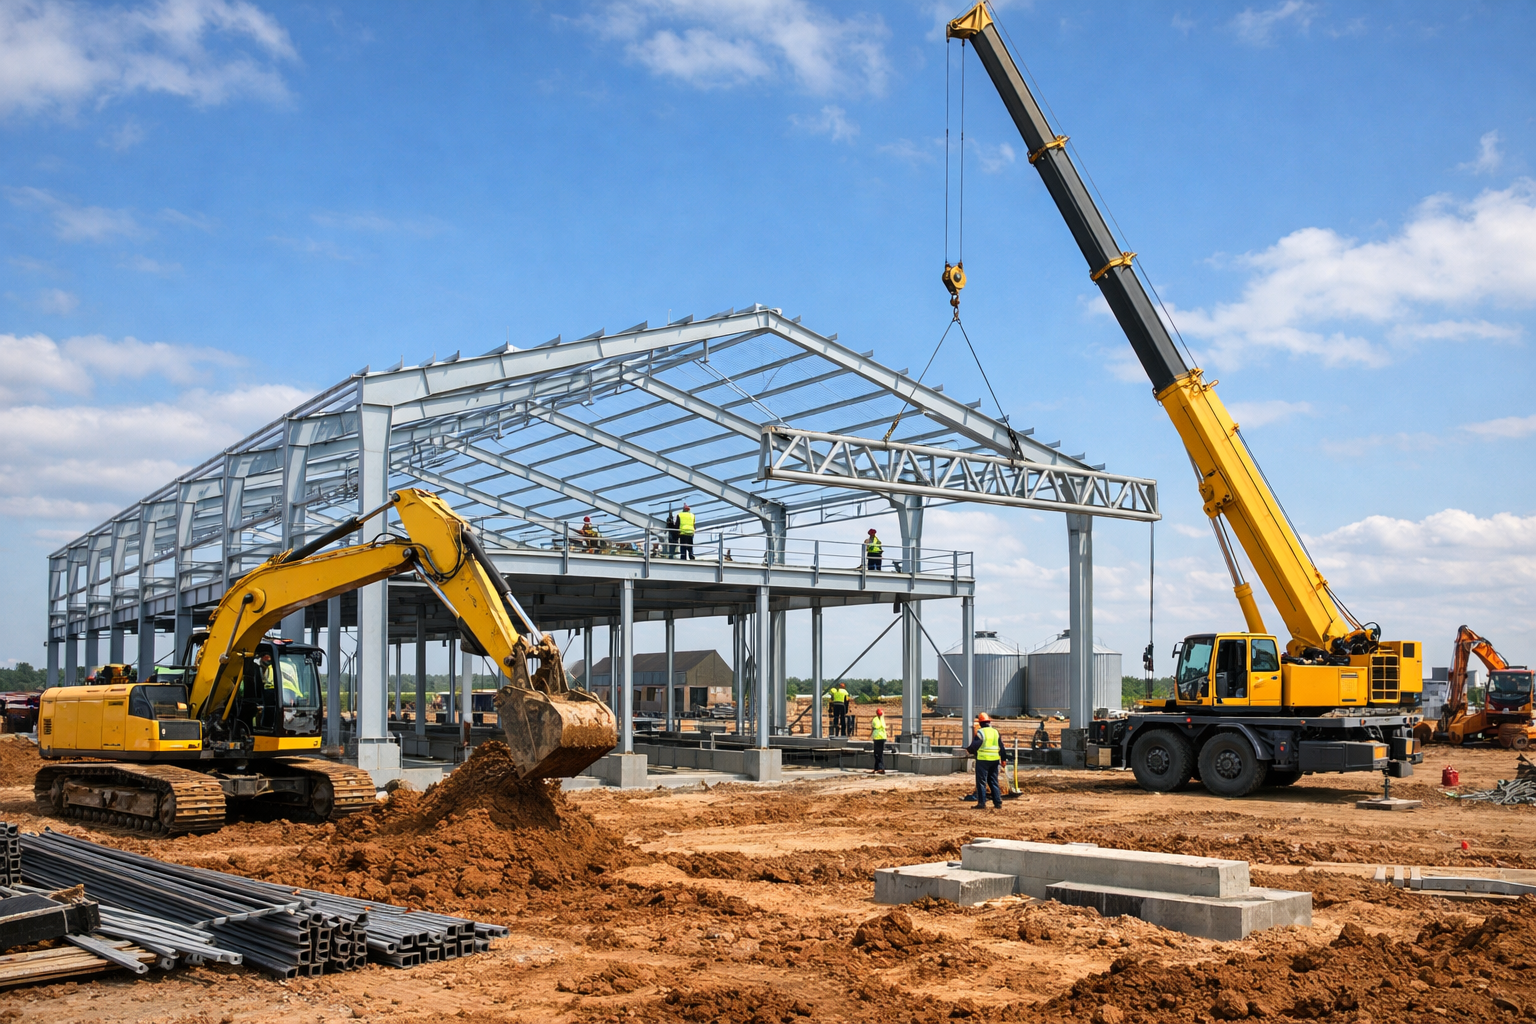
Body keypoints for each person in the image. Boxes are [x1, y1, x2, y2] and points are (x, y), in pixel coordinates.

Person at [967, 712, 1003, 810]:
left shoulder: (981, 732)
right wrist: (1003, 759)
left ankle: (982, 803)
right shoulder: (995, 732)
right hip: (995, 760)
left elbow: (975, 745)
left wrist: (969, 749)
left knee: (981, 782)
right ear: (989, 722)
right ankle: (998, 802)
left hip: (983, 760)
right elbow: (1001, 747)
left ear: (981, 723)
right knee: (993, 781)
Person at [869, 706, 889, 774]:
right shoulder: (880, 719)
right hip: (881, 737)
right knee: (878, 754)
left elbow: (875, 727)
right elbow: (881, 726)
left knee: (878, 754)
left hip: (878, 738)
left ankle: (880, 768)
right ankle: (877, 768)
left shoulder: (876, 719)